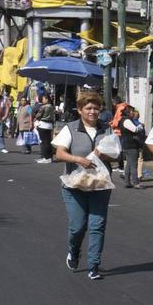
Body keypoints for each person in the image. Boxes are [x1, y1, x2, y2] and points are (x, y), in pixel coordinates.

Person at [52, 89, 117, 280]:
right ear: (80, 110)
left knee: (98, 225)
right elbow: (59, 153)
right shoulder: (71, 128)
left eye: (96, 108)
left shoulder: (107, 129)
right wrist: (78, 160)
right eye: (88, 108)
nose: (92, 112)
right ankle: (74, 250)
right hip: (74, 186)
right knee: (78, 226)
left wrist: (104, 155)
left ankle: (93, 265)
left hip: (100, 185)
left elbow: (116, 154)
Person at [116, 103, 145, 188]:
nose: (133, 112)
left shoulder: (124, 119)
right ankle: (136, 183)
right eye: (132, 111)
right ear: (128, 112)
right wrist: (141, 126)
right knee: (133, 165)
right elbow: (135, 129)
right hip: (131, 145)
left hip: (127, 144)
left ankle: (127, 182)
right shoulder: (127, 120)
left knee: (129, 164)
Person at [33, 93, 56, 163]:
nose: (42, 100)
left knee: (44, 142)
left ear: (46, 99)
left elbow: (38, 116)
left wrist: (35, 116)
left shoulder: (44, 107)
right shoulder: (52, 106)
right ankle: (50, 157)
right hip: (50, 125)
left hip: (43, 125)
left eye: (43, 99)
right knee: (48, 142)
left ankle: (46, 157)